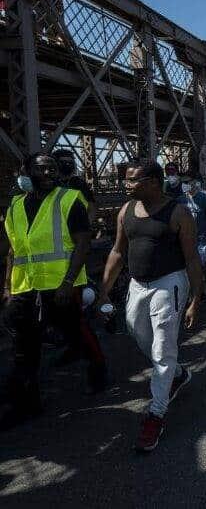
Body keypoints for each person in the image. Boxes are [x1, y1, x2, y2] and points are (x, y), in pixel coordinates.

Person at [98, 162, 203, 452]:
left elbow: (192, 258)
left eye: (133, 180)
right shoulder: (126, 210)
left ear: (154, 182)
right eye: (126, 180)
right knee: (136, 332)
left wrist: (196, 299)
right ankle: (177, 374)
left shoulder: (178, 213)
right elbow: (117, 251)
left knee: (162, 349)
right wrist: (103, 292)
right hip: (137, 285)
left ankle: (156, 414)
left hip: (168, 284)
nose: (127, 185)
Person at [1, 152, 107, 430]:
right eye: (41, 169)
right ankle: (27, 403)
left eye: (52, 169)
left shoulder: (68, 199)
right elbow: (14, 250)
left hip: (61, 286)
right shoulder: (15, 206)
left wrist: (68, 282)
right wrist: (8, 287)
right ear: (26, 172)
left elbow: (82, 243)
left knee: (75, 331)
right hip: (26, 286)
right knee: (24, 345)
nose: (48, 173)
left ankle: (98, 369)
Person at [178, 172, 206, 300]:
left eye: (187, 182)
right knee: (190, 268)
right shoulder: (180, 200)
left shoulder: (204, 198)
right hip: (186, 239)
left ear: (194, 182)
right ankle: (202, 292)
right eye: (183, 182)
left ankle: (197, 295)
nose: (185, 184)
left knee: (198, 266)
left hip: (202, 239)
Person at [53, 149, 97, 222]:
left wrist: (85, 225)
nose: (67, 165)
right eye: (63, 162)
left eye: (70, 162)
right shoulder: (48, 183)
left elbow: (91, 207)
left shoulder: (79, 183)